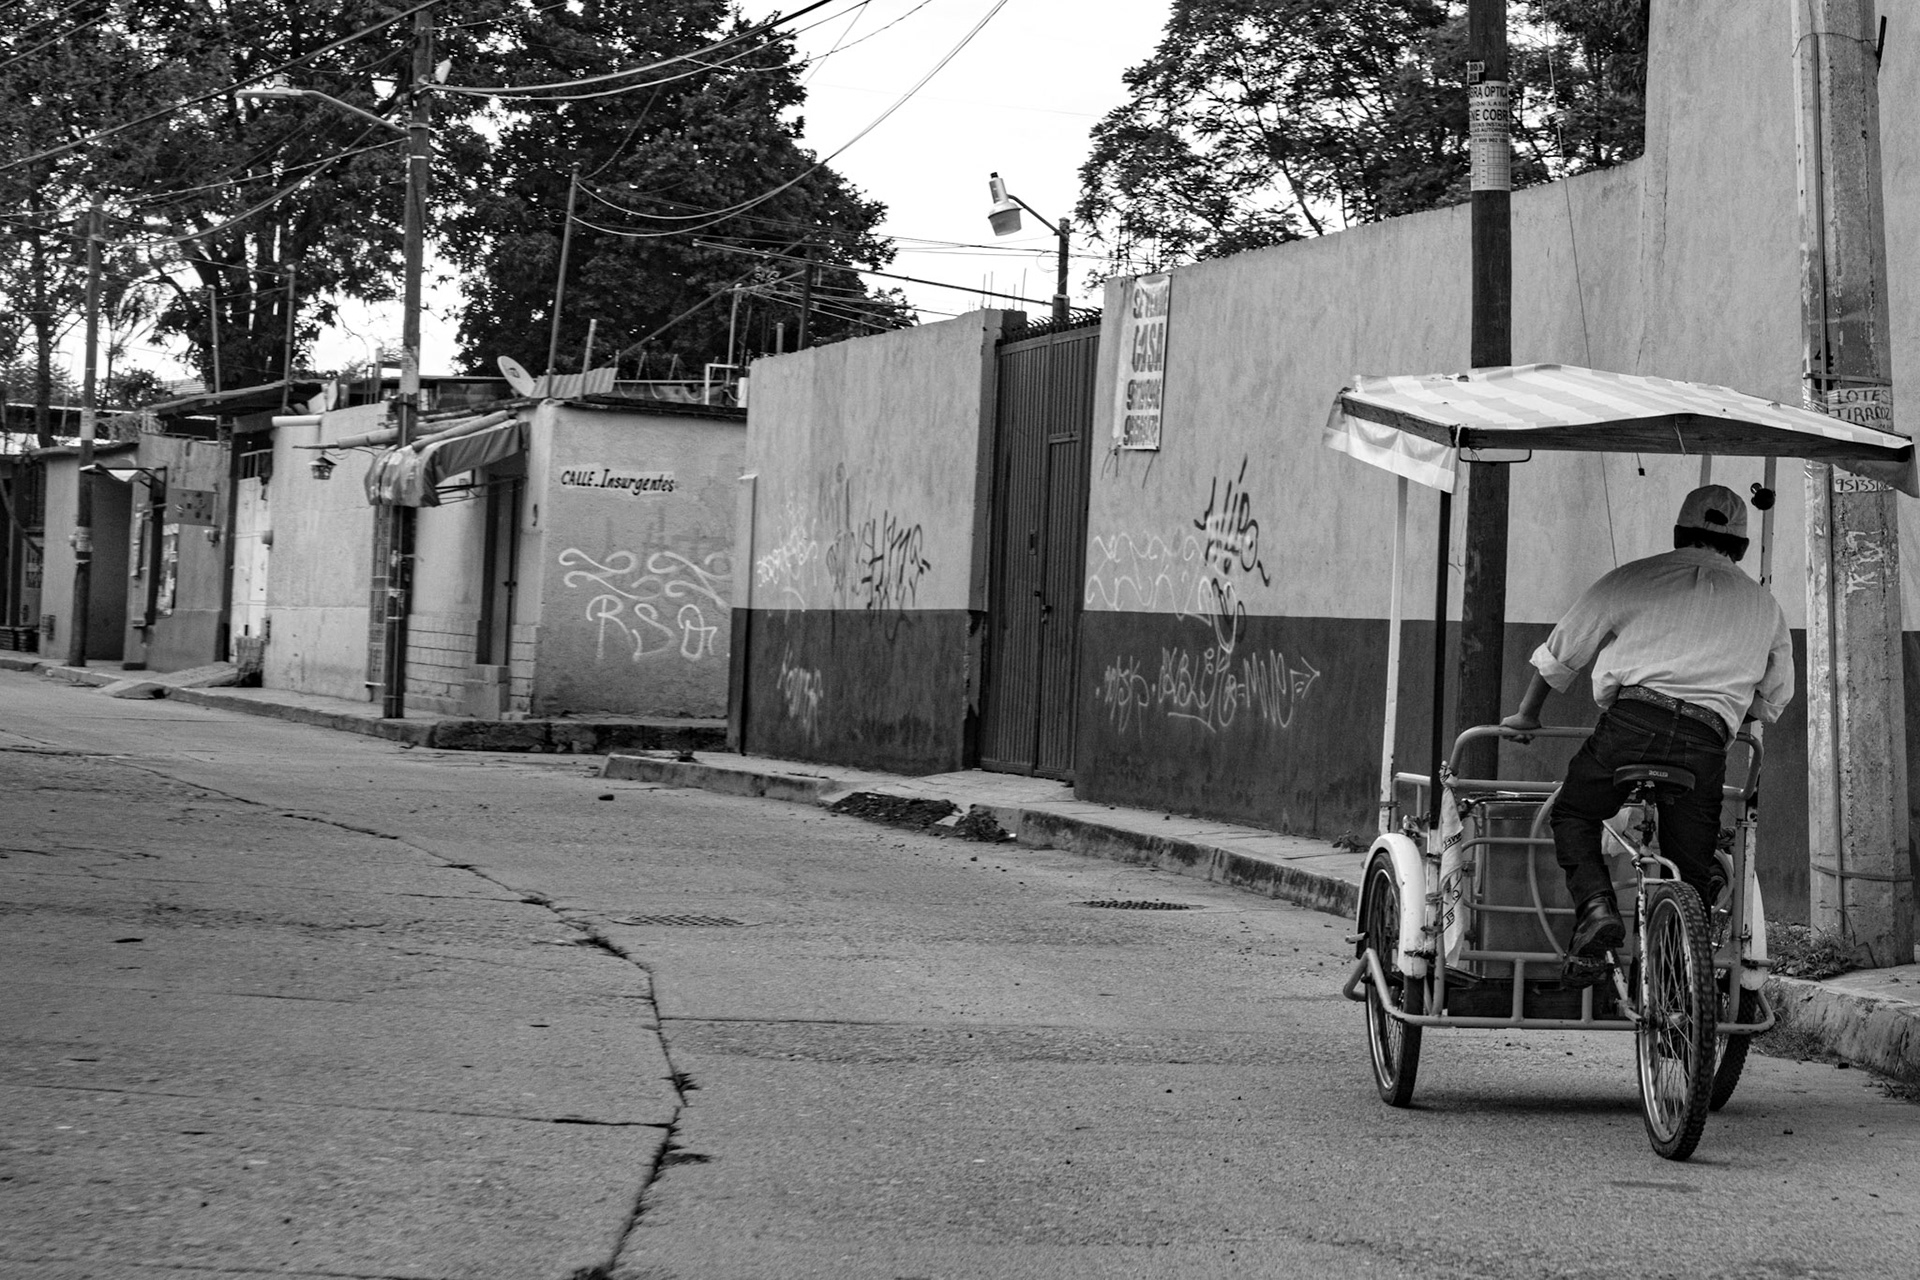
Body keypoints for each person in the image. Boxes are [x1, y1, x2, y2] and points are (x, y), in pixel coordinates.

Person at [1500, 484, 1793, 960]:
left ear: (1678, 533)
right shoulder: (1765, 605)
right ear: (1740, 546)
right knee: (1691, 869)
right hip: (1704, 741)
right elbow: (1775, 696)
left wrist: (1528, 714)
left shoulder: (1633, 577)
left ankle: (1596, 909)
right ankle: (1682, 979)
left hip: (1631, 725)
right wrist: (1729, 702)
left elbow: (1563, 649)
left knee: (1574, 811)